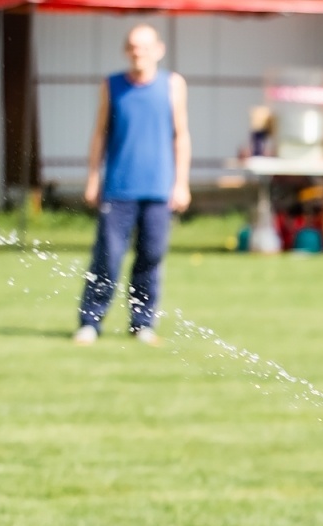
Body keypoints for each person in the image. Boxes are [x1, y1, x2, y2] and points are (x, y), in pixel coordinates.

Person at [73, 24, 190, 347]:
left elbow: (181, 136)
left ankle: (143, 324)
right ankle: (90, 322)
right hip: (118, 187)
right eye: (134, 47)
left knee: (151, 256)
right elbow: (100, 133)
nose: (139, 53)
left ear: (159, 49)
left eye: (145, 47)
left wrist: (181, 182)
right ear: (127, 51)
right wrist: (94, 177)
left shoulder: (173, 85)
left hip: (158, 188)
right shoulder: (112, 86)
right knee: (108, 257)